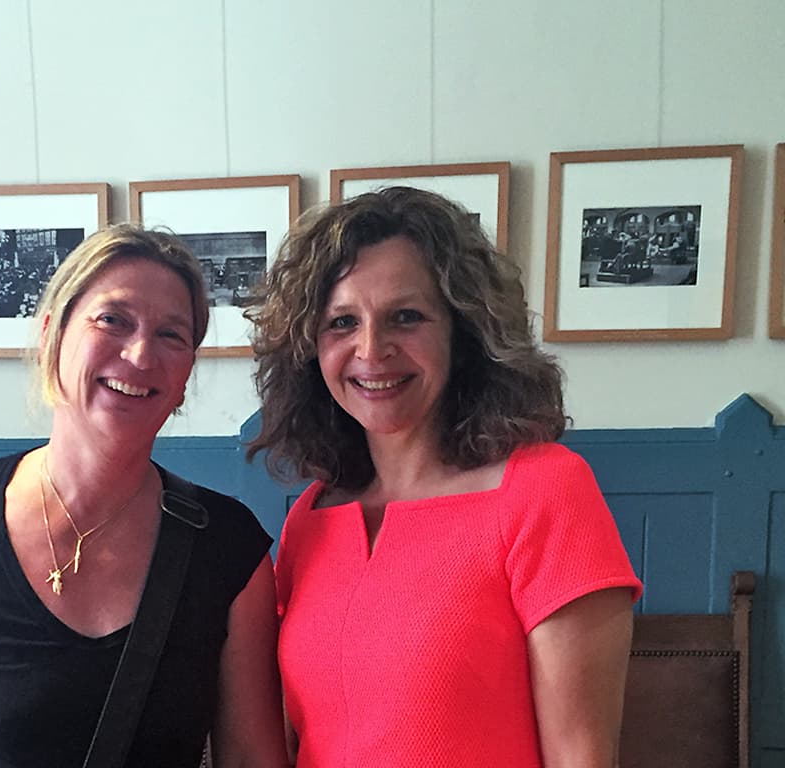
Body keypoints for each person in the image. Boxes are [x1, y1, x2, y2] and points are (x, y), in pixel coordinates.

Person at [0, 225, 290, 768]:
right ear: (51, 337)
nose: (140, 354)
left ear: (184, 378)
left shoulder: (228, 544)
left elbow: (250, 758)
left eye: (171, 335)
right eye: (113, 319)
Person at [246, 187, 642, 768]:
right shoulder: (313, 515)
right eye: (342, 322)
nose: (372, 349)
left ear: (464, 331)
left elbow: (580, 758)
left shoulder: (543, 490)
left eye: (406, 317)